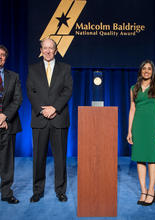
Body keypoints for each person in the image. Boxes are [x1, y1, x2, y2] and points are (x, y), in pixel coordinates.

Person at [26, 38, 73, 202]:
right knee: (38, 157)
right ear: (41, 50)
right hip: (40, 119)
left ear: (56, 50)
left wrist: (54, 108)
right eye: (45, 48)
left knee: (60, 157)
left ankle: (60, 190)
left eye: (50, 48)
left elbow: (67, 90)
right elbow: (31, 92)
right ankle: (37, 191)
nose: (47, 51)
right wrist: (43, 110)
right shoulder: (32, 69)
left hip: (59, 118)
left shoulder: (65, 68)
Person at [127, 60, 155, 206]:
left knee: (152, 159)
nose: (146, 71)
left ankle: (151, 190)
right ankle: (143, 191)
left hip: (153, 127)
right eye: (144, 69)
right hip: (139, 127)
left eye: (149, 69)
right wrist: (129, 130)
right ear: (140, 71)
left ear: (152, 71)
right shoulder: (134, 88)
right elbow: (132, 109)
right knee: (140, 159)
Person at [0, 45, 22, 204]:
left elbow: (17, 99)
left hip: (8, 124)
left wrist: (4, 116)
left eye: (2, 55)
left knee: (7, 162)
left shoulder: (13, 76)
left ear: (5, 58)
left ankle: (6, 193)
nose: (0, 57)